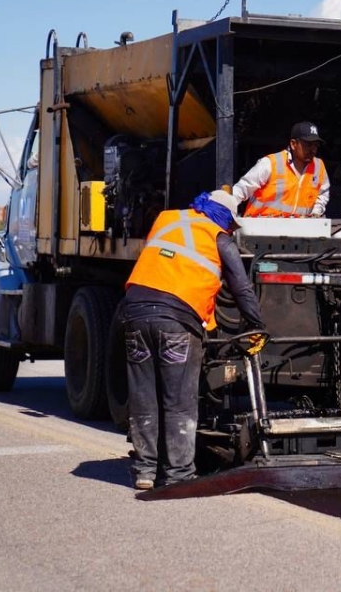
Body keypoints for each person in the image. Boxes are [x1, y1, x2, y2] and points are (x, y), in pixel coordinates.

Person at [122, 189, 264, 490]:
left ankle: (145, 471)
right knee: (179, 401)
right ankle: (178, 475)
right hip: (176, 320)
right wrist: (256, 325)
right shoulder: (219, 238)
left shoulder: (166, 219)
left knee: (143, 396)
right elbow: (241, 288)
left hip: (134, 312)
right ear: (224, 218)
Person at [232, 121, 330, 217]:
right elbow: (242, 188)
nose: (313, 149)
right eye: (308, 144)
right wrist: (224, 209)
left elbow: (323, 195)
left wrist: (315, 213)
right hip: (258, 227)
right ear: (293, 144)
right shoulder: (271, 163)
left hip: (297, 229)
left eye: (316, 145)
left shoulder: (318, 166)